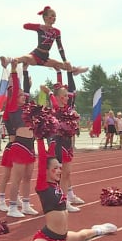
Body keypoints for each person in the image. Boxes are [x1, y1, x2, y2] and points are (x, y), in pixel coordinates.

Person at [0, 138, 117, 241]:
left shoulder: (57, 185)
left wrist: (55, 139)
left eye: (60, 168)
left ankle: (99, 229)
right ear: (45, 170)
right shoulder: (43, 186)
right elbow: (43, 158)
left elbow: (53, 152)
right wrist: (41, 139)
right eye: (55, 168)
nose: (59, 171)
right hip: (48, 238)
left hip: (63, 237)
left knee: (82, 236)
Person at [41, 67, 85, 212]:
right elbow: (54, 94)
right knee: (58, 174)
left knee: (66, 173)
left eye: (67, 96)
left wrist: (64, 71)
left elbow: (70, 89)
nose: (67, 97)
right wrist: (49, 91)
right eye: (65, 96)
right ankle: (59, 200)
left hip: (67, 142)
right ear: (59, 97)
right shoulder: (55, 106)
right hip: (57, 142)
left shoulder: (68, 108)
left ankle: (64, 200)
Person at [0, 6, 87, 75]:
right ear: (45, 17)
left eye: (55, 16)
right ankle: (8, 60)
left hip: (45, 57)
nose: (54, 18)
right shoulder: (40, 27)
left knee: (63, 65)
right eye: (52, 16)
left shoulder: (57, 31)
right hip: (36, 55)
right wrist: (40, 26)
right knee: (25, 58)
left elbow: (60, 47)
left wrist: (65, 60)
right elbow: (25, 26)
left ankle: (76, 70)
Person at [1, 61, 38, 218]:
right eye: (20, 95)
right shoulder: (12, 107)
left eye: (24, 95)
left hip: (30, 144)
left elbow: (27, 90)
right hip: (20, 144)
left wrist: (26, 70)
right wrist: (15, 70)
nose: (23, 96)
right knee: (16, 178)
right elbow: (16, 87)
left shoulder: (27, 108)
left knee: (28, 177)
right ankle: (12, 207)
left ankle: (26, 204)